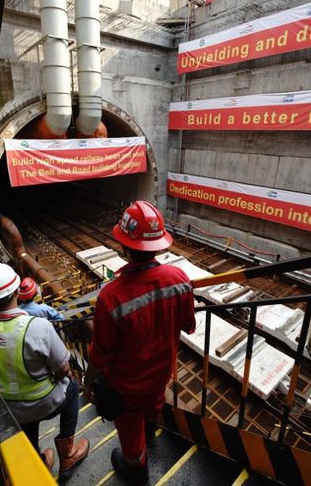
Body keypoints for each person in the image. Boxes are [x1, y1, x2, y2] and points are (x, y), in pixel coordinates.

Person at [85, 201, 195, 484]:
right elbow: (189, 326)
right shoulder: (180, 279)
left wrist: (87, 383)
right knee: (153, 404)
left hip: (127, 385)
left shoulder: (111, 297)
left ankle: (136, 467)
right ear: (158, 245)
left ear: (123, 247)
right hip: (162, 373)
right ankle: (151, 433)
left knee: (129, 426)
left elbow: (101, 354)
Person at [0, 262, 89, 479]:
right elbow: (63, 367)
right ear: (16, 293)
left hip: (3, 408)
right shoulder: (38, 326)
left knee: (26, 419)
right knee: (72, 386)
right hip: (43, 402)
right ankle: (67, 453)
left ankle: (35, 459)